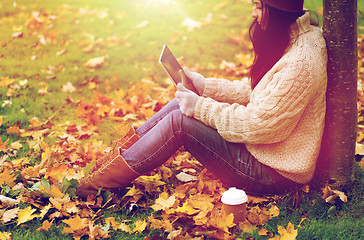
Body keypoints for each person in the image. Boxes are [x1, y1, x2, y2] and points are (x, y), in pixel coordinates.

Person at [75, 0, 327, 199]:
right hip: (263, 152)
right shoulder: (295, 39)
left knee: (180, 123)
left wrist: (200, 107)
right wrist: (204, 87)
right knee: (179, 105)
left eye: (258, 6)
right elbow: (259, 92)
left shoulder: (301, 63)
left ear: (277, 9)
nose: (253, 13)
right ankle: (110, 163)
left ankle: (95, 186)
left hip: (274, 171)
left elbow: (260, 124)